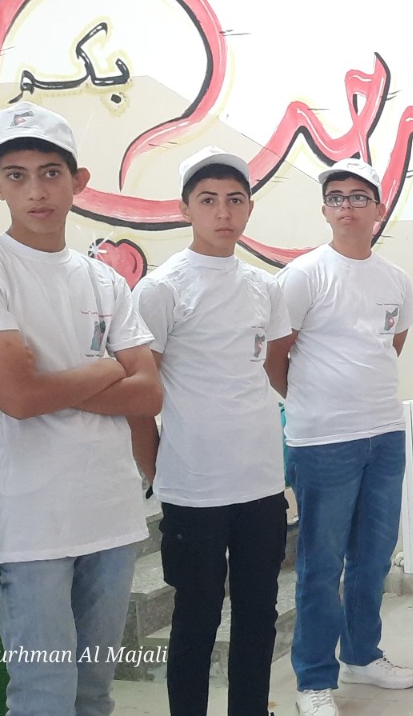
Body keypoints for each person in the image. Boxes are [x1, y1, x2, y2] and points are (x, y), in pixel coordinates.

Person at [0, 101, 162, 715]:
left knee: (93, 694)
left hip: (110, 516)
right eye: (16, 175)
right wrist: (108, 366)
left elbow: (150, 393)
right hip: (29, 522)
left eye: (50, 173)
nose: (35, 190)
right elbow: (18, 398)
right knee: (43, 695)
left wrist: (54, 382)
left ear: (78, 181)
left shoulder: (104, 280)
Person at [130, 147, 292, 716]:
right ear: (185, 209)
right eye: (208, 200)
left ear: (248, 208)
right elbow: (138, 393)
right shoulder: (162, 288)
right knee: (196, 618)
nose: (223, 212)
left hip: (260, 483)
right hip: (194, 486)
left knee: (258, 614)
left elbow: (266, 371)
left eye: (234, 200)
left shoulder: (265, 287)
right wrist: (154, 467)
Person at [266, 158, 413, 716]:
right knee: (321, 564)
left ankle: (362, 654)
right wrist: (312, 399)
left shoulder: (395, 279)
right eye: (336, 197)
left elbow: (391, 344)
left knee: (374, 557)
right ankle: (313, 678)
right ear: (325, 210)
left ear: (378, 208)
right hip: (323, 441)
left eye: (359, 196)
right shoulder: (304, 274)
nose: (347, 206)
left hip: (385, 434)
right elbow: (275, 355)